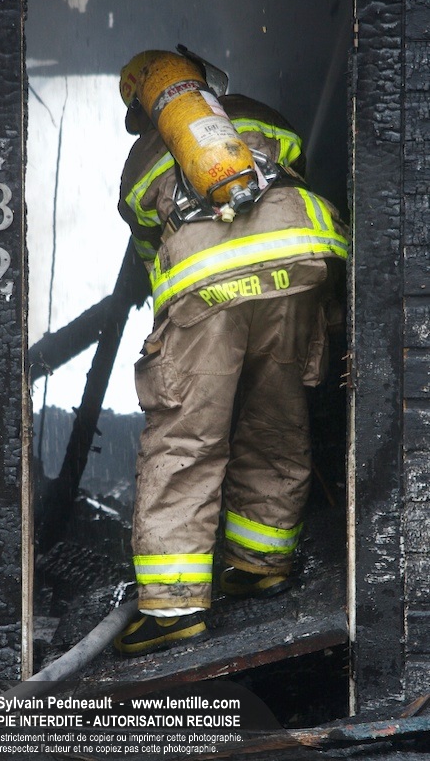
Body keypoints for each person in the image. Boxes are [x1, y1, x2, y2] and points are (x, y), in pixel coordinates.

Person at [113, 49, 348, 656]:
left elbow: (153, 258)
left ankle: (174, 608)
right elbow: (295, 177)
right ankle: (261, 564)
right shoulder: (263, 116)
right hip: (300, 261)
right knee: (277, 413)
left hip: (207, 282)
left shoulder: (141, 159)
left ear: (143, 109)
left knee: (187, 434)